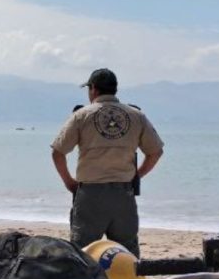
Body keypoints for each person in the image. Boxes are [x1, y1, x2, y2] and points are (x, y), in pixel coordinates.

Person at [51, 68, 164, 257]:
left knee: (83, 254)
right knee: (127, 253)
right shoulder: (136, 116)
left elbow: (58, 152)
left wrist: (69, 182)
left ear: (93, 89)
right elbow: (156, 152)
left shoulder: (81, 115)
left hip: (90, 194)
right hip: (123, 194)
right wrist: (137, 175)